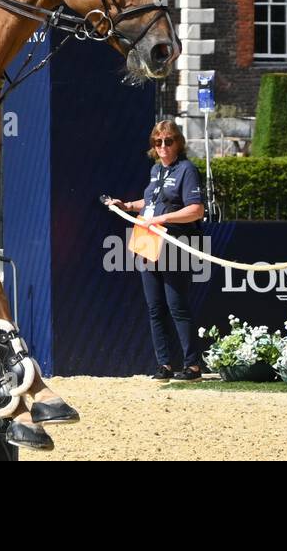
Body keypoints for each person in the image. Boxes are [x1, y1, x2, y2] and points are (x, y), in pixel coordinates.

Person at [110, 120, 206, 380]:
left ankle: (193, 366)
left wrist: (162, 219)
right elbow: (152, 200)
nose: (163, 146)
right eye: (158, 141)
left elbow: (196, 210)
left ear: (178, 143)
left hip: (175, 244)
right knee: (155, 308)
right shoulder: (155, 170)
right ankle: (164, 364)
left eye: (168, 141)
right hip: (149, 243)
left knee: (178, 306)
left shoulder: (186, 170)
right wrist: (129, 205)